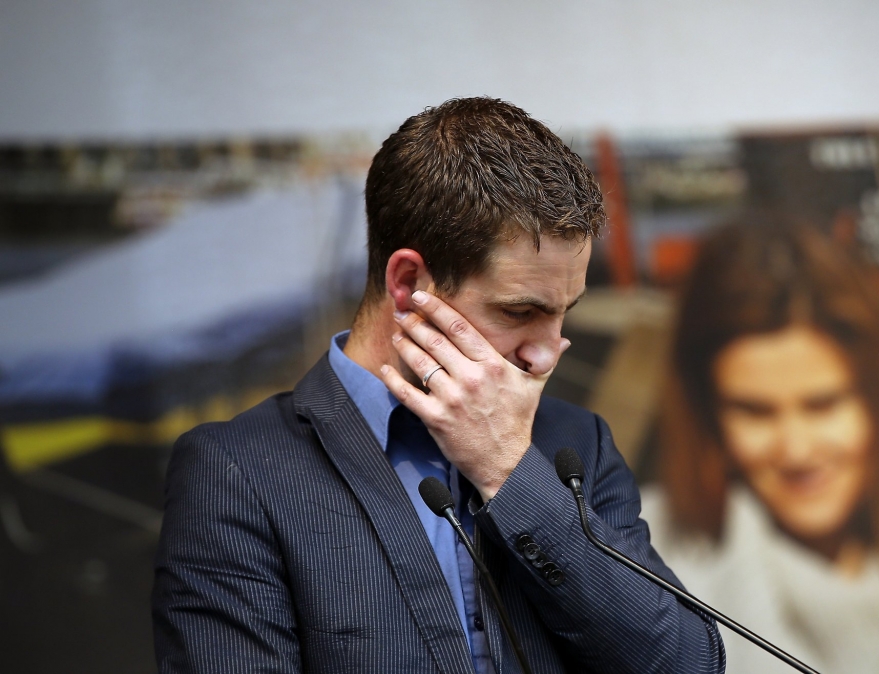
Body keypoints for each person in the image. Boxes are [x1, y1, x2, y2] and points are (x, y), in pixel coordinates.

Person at [152, 98, 726, 674]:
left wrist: (510, 473)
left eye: (565, 312)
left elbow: (686, 662)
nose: (548, 351)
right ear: (407, 283)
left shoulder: (576, 443)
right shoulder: (238, 471)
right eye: (519, 311)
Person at [642, 217, 879, 674]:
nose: (797, 450)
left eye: (824, 405)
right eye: (755, 411)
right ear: (709, 414)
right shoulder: (640, 563)